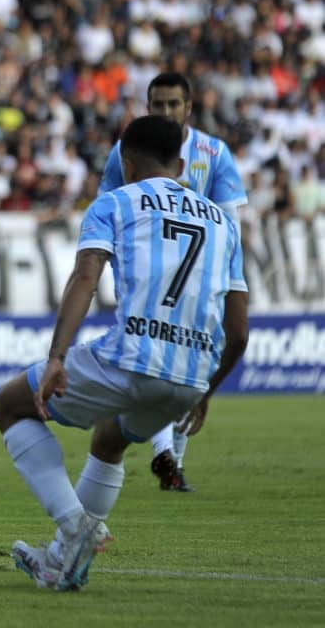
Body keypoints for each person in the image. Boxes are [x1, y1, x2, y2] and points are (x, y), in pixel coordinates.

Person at [0, 115, 249, 591]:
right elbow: (238, 332)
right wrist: (205, 392)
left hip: (132, 358)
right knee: (109, 440)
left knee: (9, 405)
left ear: (126, 164)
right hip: (190, 376)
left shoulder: (114, 202)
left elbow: (86, 276)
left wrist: (56, 357)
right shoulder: (223, 224)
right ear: (181, 164)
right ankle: (62, 564)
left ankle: (76, 524)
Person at [99, 72, 248, 492]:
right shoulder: (122, 154)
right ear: (148, 107)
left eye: (172, 105)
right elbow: (108, 210)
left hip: (202, 275)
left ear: (189, 109)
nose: (165, 112)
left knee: (202, 356)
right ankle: (168, 456)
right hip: (147, 275)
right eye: (157, 105)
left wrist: (232, 280)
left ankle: (172, 454)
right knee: (158, 356)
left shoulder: (214, 154)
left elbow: (231, 223)